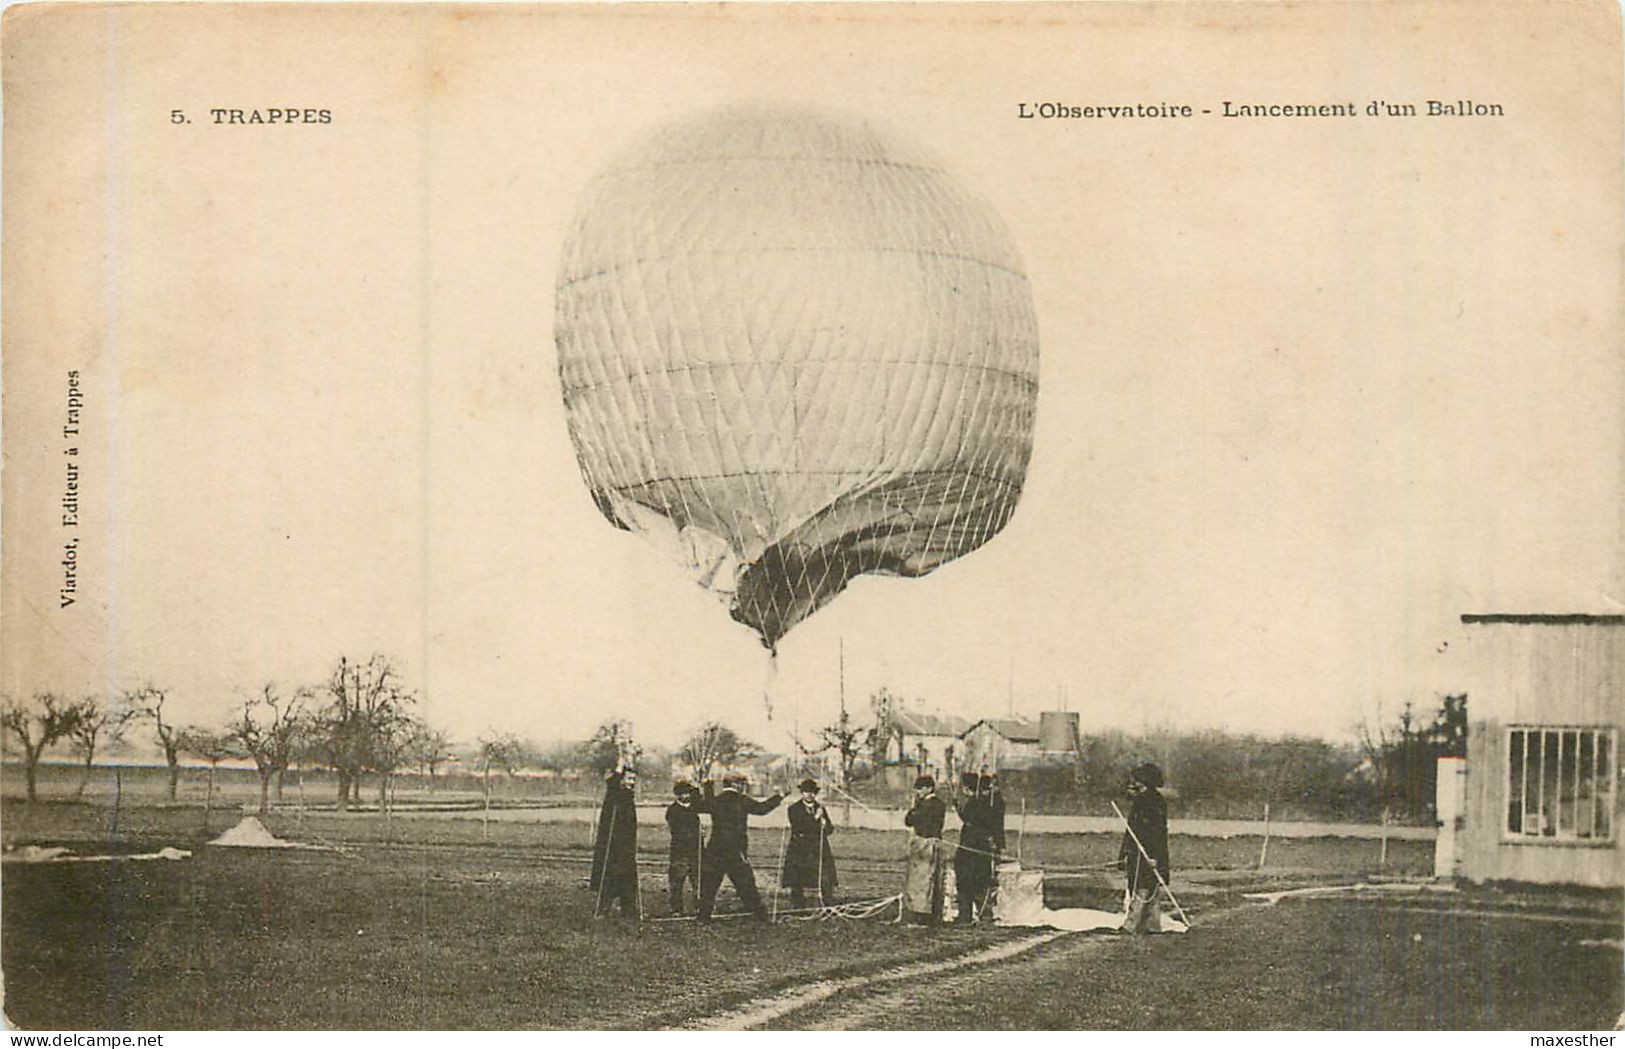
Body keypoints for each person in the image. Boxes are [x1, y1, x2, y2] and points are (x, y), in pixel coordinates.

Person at [692, 772, 784, 923]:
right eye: (742, 784)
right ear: (736, 785)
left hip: (715, 850)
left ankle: (703, 917)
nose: (744, 787)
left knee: (709, 885)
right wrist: (779, 796)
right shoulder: (742, 800)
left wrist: (704, 786)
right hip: (736, 851)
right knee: (746, 884)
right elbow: (762, 809)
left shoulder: (716, 800)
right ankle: (760, 916)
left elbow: (699, 805)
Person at [1118, 761, 1171, 934]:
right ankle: (1152, 924)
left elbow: (1156, 832)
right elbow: (1131, 829)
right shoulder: (1142, 800)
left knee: (1143, 886)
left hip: (1148, 850)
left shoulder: (1153, 802)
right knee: (1147, 886)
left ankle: (1132, 924)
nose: (1133, 784)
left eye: (1137, 780)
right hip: (1139, 850)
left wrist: (1154, 855)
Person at [954, 770, 1005, 924]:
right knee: (980, 881)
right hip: (978, 849)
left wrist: (959, 809)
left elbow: (973, 820)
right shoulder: (987, 802)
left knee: (970, 882)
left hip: (972, 849)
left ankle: (969, 914)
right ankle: (981, 914)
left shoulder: (979, 804)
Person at [589, 765, 639, 918]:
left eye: (634, 780)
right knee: (609, 876)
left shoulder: (629, 796)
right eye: (629, 779)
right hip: (612, 844)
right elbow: (611, 782)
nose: (632, 782)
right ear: (621, 780)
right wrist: (619, 765)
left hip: (627, 845)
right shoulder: (614, 793)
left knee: (628, 877)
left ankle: (628, 909)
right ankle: (603, 909)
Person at [781, 777, 837, 910]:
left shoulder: (820, 808)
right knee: (797, 879)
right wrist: (815, 818)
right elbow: (799, 826)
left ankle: (828, 906)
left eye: (812, 792)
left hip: (818, 847)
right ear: (802, 793)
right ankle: (798, 907)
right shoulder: (793, 809)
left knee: (825, 877)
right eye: (806, 792)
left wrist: (825, 825)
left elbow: (830, 829)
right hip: (799, 848)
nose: (809, 794)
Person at [902, 774, 948, 925]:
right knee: (924, 881)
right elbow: (908, 821)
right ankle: (924, 914)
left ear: (929, 788)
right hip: (926, 844)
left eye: (920, 789)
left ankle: (922, 916)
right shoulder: (930, 804)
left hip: (926, 844)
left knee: (924, 881)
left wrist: (915, 808)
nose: (918, 792)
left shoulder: (931, 805)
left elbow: (915, 821)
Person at [665, 780, 702, 915]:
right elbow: (677, 831)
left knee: (698, 881)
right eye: (685, 793)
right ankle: (676, 909)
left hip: (696, 851)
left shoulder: (694, 807)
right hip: (680, 852)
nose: (688, 796)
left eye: (689, 793)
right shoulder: (673, 810)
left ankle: (700, 907)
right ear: (678, 794)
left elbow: (700, 799)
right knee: (677, 882)